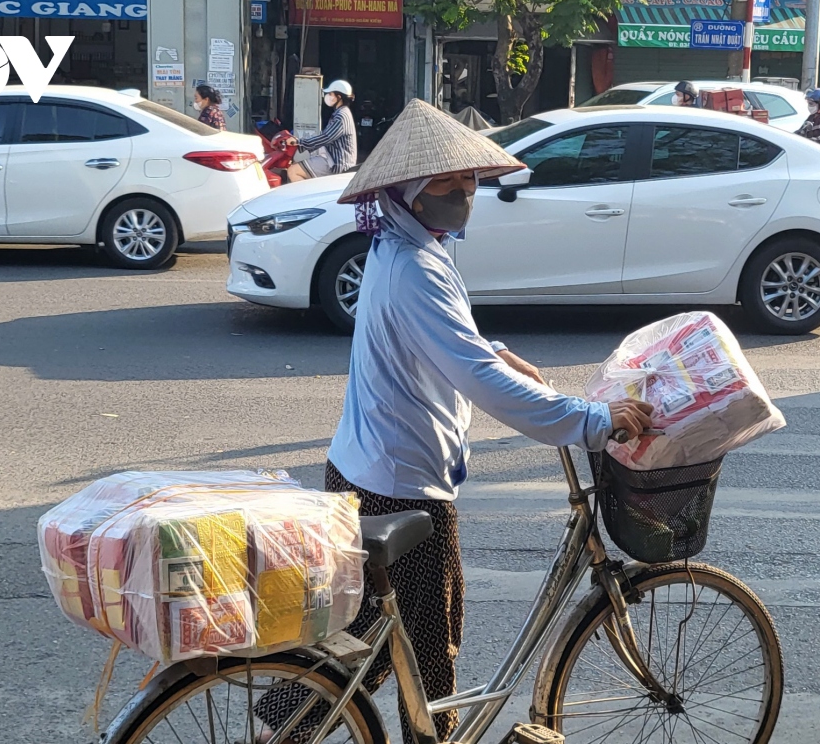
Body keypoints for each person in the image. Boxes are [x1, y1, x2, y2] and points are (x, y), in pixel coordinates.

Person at [253, 98, 654, 744]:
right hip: (400, 484)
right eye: (448, 185)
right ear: (412, 193)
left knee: (375, 639)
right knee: (428, 653)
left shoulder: (403, 246)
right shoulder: (414, 267)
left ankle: (279, 730)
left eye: (469, 182)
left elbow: (446, 345)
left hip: (368, 467)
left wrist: (491, 351)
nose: (465, 194)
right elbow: (477, 380)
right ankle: (298, 732)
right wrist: (592, 420)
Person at [286, 79, 357, 182]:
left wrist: (299, 142)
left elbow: (326, 137)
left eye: (331, 94)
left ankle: (309, 198)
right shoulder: (340, 113)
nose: (328, 96)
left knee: (293, 171)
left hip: (337, 163)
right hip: (332, 158)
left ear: (339, 97)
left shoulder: (341, 116)